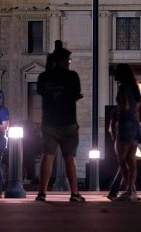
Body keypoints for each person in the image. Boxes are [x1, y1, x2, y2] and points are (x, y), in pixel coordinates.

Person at [35, 40, 85, 203]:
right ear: (63, 61)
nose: (69, 63)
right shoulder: (72, 76)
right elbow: (75, 94)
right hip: (68, 122)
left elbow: (41, 92)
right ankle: (74, 193)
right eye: (68, 60)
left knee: (47, 156)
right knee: (69, 158)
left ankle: (42, 192)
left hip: (49, 121)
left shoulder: (43, 77)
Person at [109, 64, 141, 202]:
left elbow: (124, 106)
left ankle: (129, 191)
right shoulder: (135, 89)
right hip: (135, 125)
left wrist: (115, 117)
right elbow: (136, 109)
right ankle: (132, 191)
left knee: (122, 161)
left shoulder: (123, 88)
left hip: (125, 124)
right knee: (131, 160)